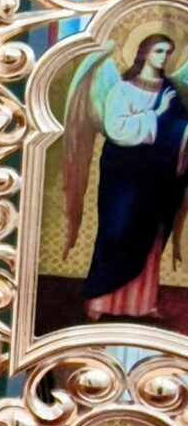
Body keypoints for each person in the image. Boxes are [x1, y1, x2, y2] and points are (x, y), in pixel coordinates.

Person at [63, 29, 188, 321]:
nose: (164, 57)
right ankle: (99, 299)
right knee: (116, 231)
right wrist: (156, 115)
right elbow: (116, 129)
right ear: (144, 53)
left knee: (151, 234)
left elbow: (179, 127)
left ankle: (143, 304)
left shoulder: (169, 90)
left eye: (168, 52)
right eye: (159, 51)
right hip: (123, 175)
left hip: (156, 176)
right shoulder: (121, 89)